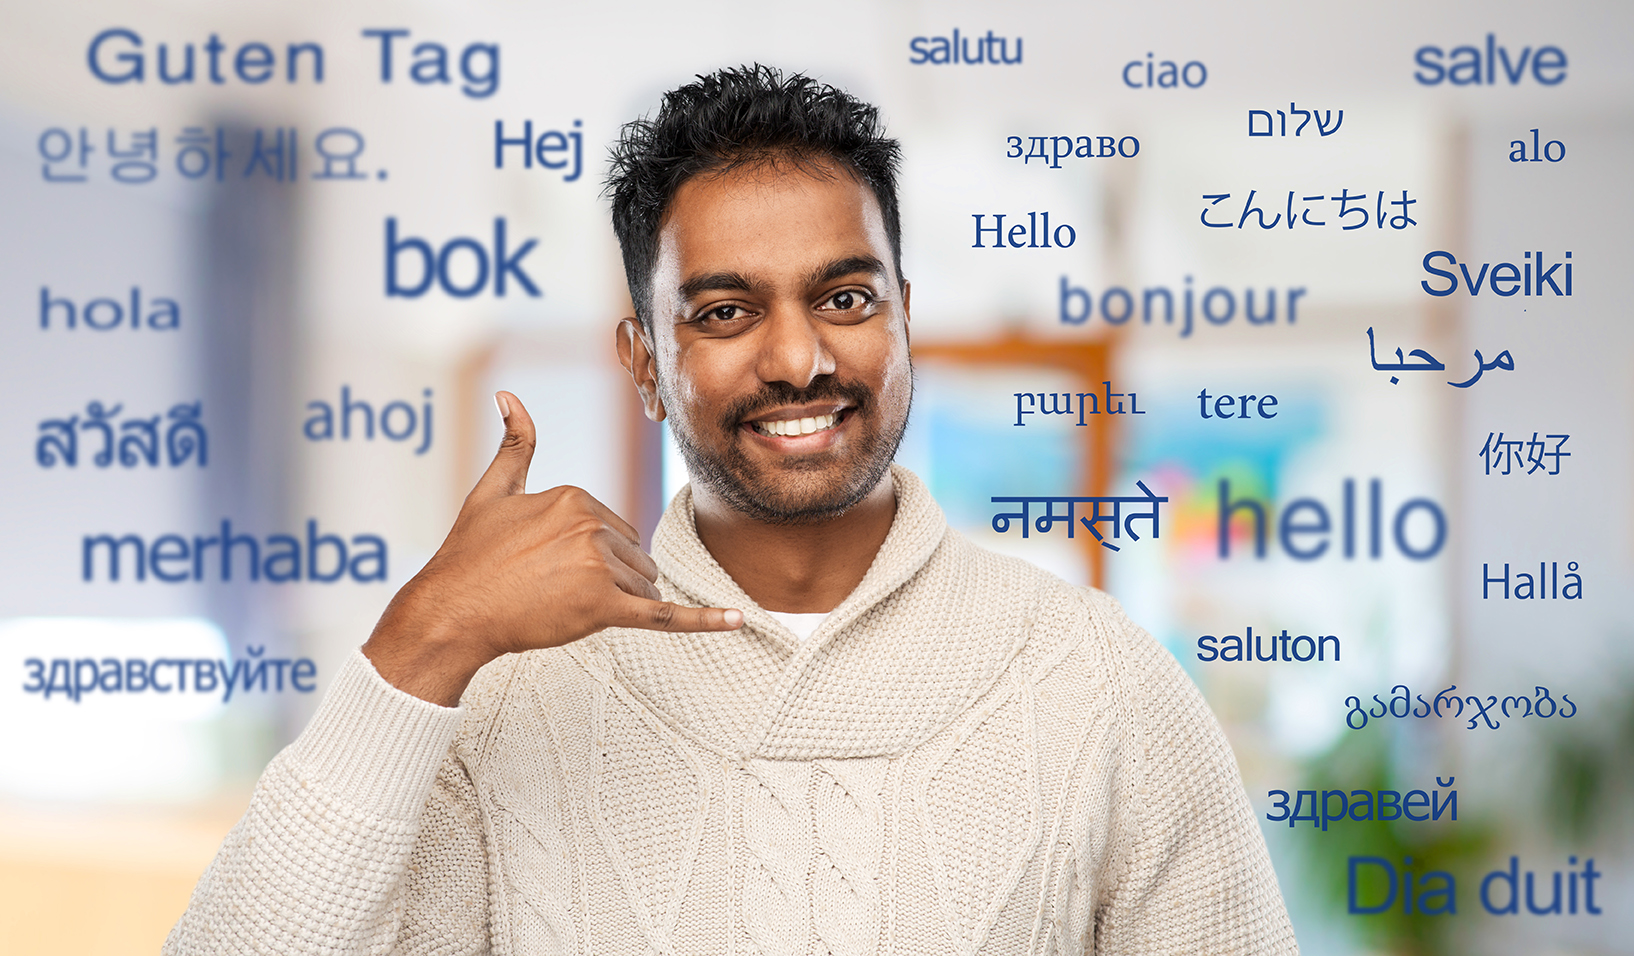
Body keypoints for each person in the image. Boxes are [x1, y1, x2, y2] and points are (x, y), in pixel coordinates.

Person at [166, 65, 1298, 955]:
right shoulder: (511, 697)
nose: (798, 357)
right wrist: (421, 641)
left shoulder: (1100, 680)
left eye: (844, 298)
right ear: (644, 359)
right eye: (722, 310)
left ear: (904, 318)